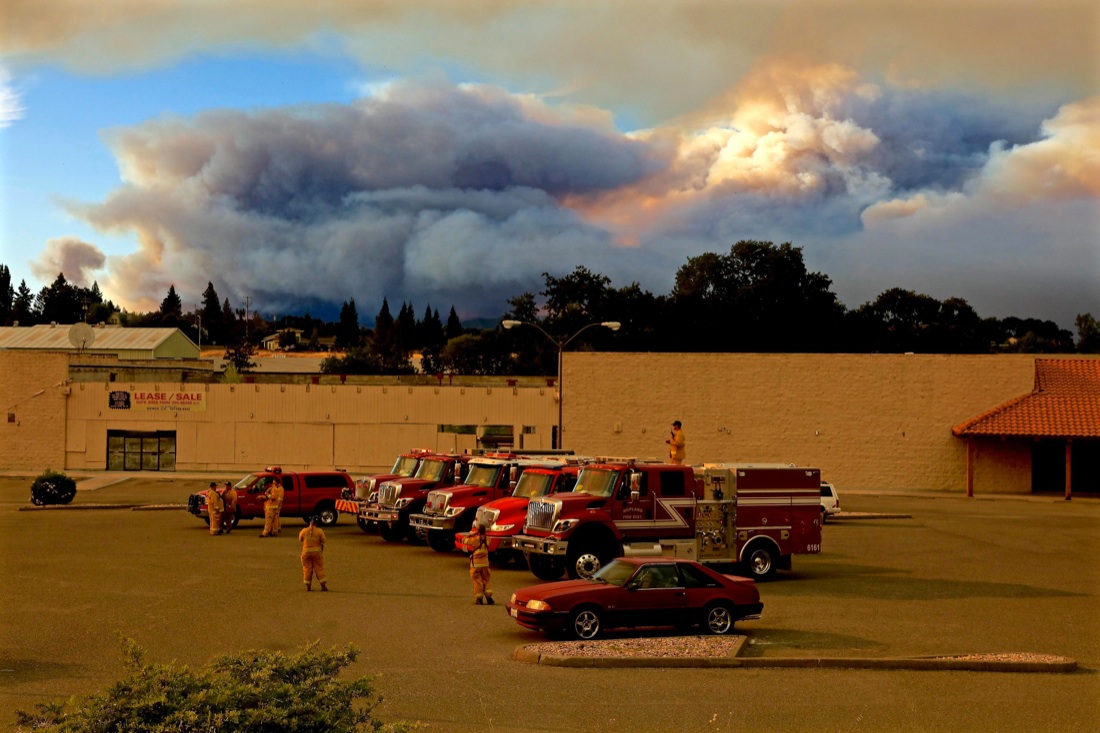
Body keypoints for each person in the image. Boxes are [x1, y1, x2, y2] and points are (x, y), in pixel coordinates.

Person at [462, 524, 494, 605]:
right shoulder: (488, 539)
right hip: (485, 564)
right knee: (486, 580)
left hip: (476, 565)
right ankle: (489, 598)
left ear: (478, 531)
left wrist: (472, 534)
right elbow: (489, 543)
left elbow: (464, 540)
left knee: (477, 581)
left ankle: (479, 599)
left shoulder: (475, 539)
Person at [298, 515, 328, 591]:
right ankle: (323, 585)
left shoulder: (304, 530)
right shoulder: (319, 531)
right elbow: (324, 540)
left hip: (306, 552)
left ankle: (308, 586)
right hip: (317, 553)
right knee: (319, 568)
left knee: (307, 569)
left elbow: (300, 539)